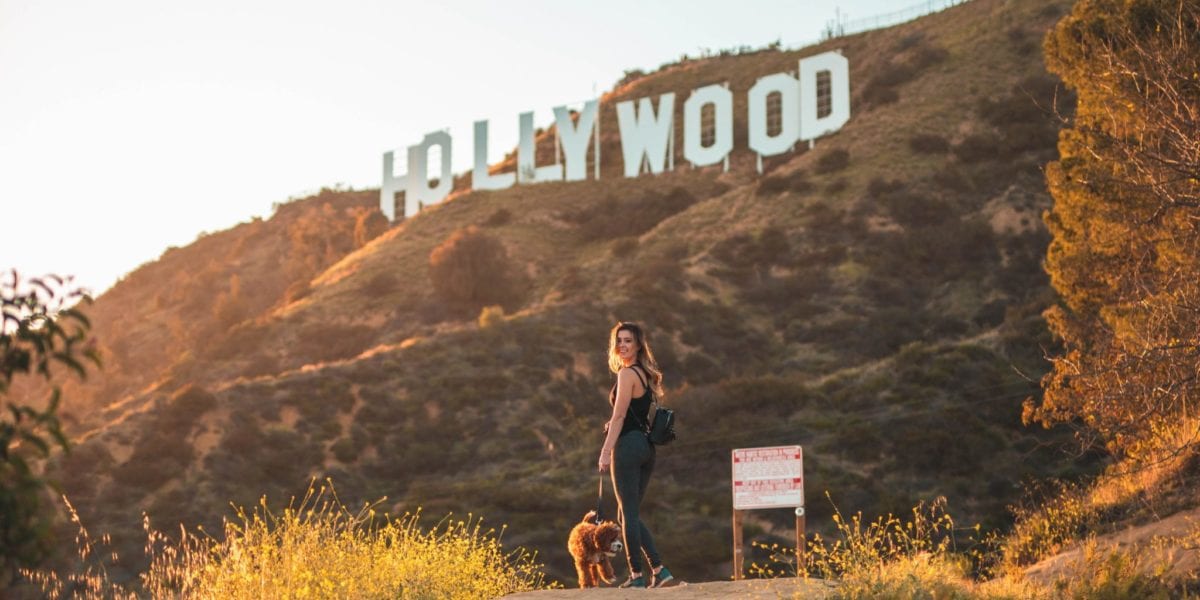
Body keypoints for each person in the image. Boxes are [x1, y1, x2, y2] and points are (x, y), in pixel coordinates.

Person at [597, 321, 676, 588]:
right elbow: (634, 414)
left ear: (639, 344)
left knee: (628, 514)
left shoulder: (627, 374)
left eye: (628, 340)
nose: (622, 345)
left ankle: (636, 576)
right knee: (627, 513)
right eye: (619, 340)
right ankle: (660, 570)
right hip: (645, 448)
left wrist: (606, 451)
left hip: (629, 447)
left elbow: (619, 416)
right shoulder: (646, 374)